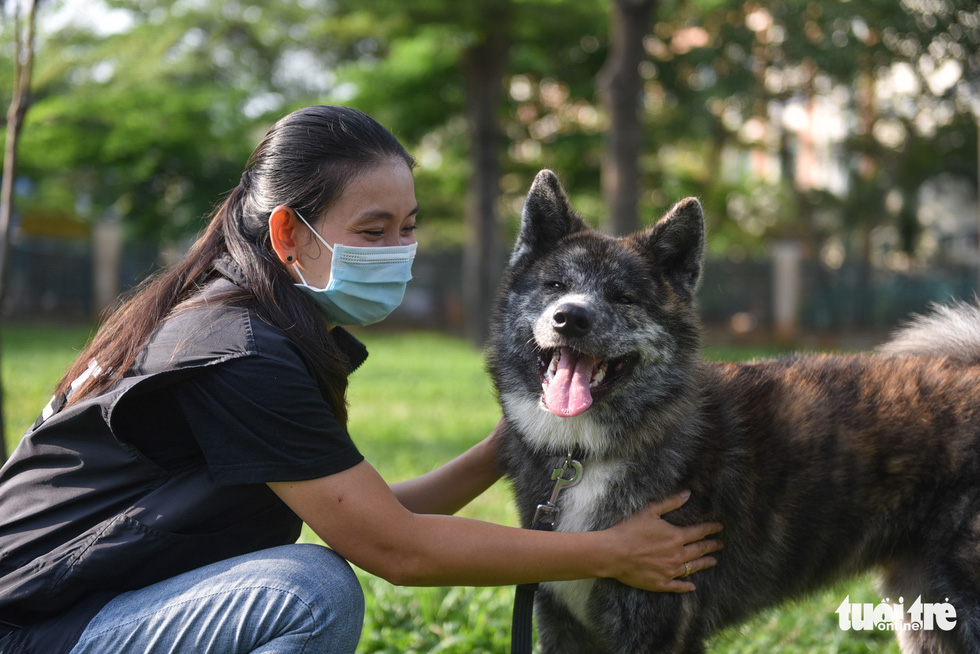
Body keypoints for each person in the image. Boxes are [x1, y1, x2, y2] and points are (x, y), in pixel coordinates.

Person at [0, 105, 723, 653]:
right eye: (373, 232)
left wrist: (508, 444)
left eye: (408, 227)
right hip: (35, 626)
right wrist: (609, 552)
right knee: (309, 592)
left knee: (307, 572)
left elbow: (365, 515)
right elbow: (393, 550)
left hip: (82, 605)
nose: (399, 251)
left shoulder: (240, 317)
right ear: (288, 236)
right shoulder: (238, 349)